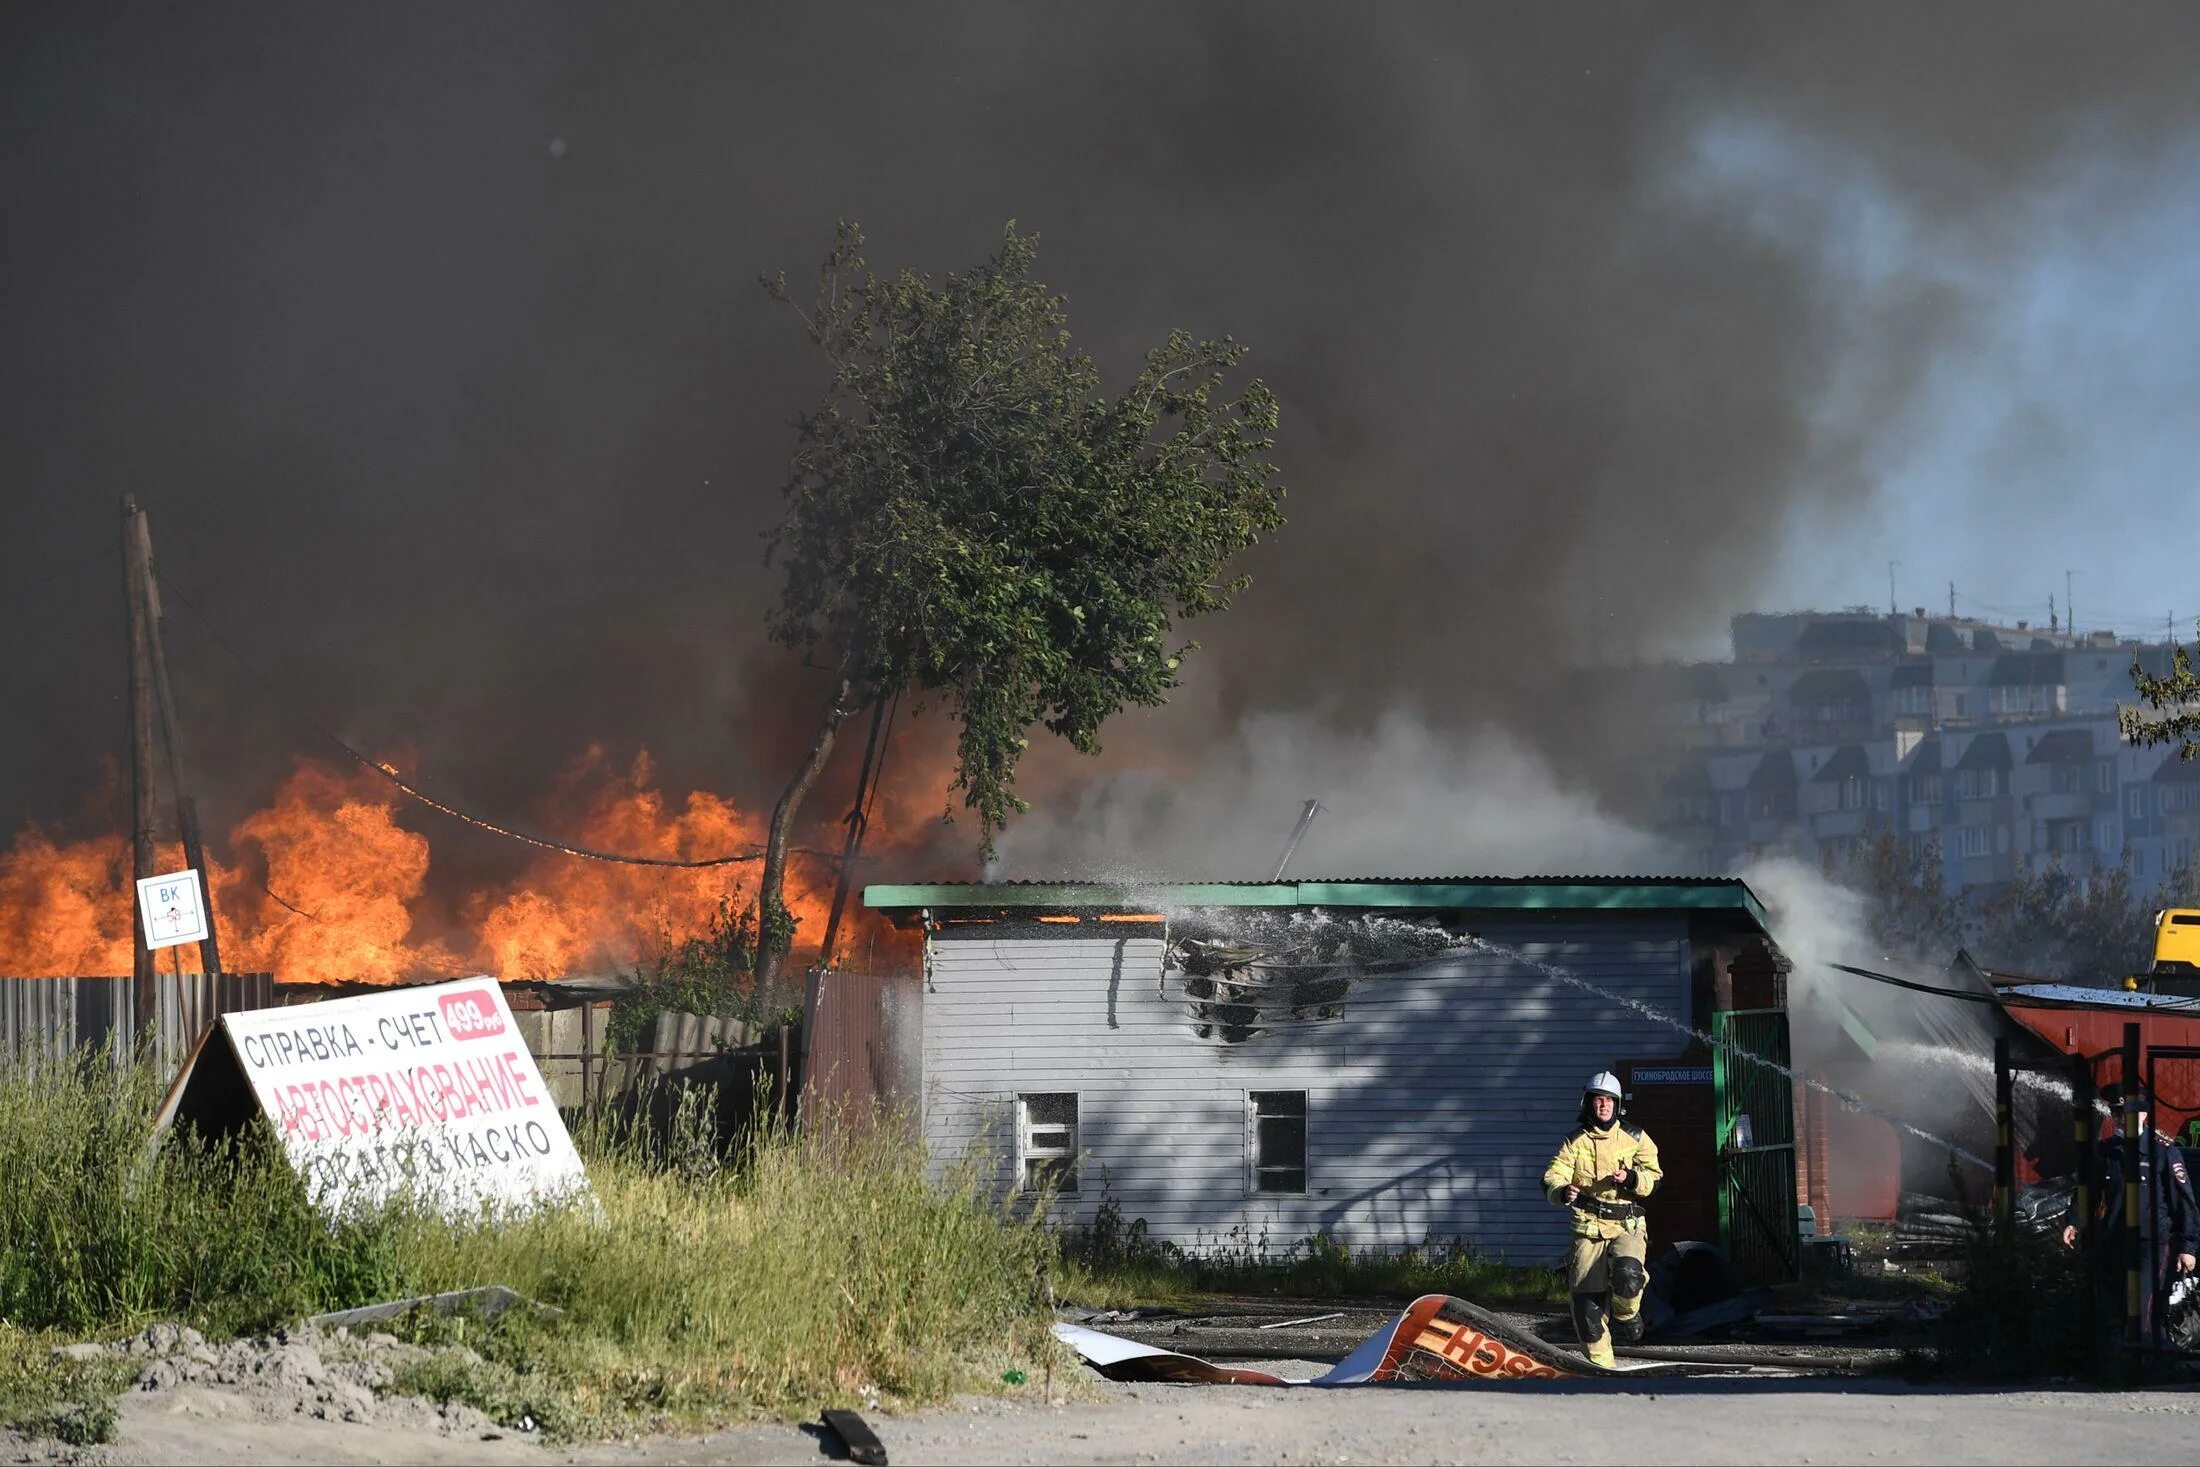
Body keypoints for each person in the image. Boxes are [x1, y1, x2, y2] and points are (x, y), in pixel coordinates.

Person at [2059, 1081, 2199, 1339]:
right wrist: (2074, 1221)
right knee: (2118, 1305)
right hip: (2116, 1240)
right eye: (2117, 1113)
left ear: (2143, 1114)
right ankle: (2127, 1362)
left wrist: (2188, 1247)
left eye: (2127, 1113)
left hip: (2153, 1243)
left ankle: (2142, 1362)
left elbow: (2184, 1203)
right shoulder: (2107, 1153)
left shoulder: (2162, 1153)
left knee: (2143, 1306)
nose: (2121, 1119)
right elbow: (2087, 1191)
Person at [1541, 1070, 1662, 1367]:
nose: (1604, 1106)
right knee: (1587, 1311)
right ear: (1588, 1104)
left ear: (1618, 1104)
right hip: (1588, 1230)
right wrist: (1562, 1190)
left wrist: (1632, 1178)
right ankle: (1603, 1369)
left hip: (1626, 1225)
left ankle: (1626, 1312)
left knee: (1628, 1275)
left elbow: (1655, 1177)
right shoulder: (1573, 1142)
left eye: (1609, 1100)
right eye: (1598, 1100)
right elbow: (1552, 1175)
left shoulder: (1635, 1137)